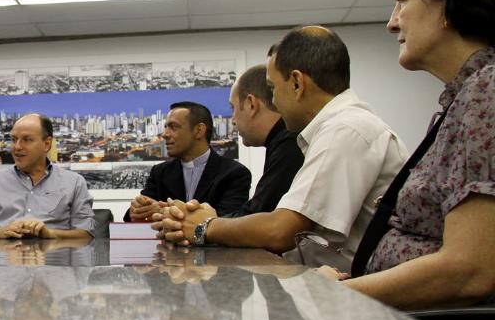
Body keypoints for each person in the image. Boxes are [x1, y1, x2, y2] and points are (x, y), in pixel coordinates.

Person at [322, 0, 495, 308]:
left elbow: (471, 269)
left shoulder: (487, 92)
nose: (392, 22)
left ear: (449, 3)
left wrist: (328, 297)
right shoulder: (465, 96)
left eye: (402, 1)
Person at [157, 26, 408, 266]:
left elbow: (281, 230)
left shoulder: (345, 130)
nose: (273, 100)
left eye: (273, 88)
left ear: (297, 83)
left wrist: (205, 225)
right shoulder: (336, 129)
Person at [174, 65, 304, 220]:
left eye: (233, 108)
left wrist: (207, 222)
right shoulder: (282, 142)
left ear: (251, 104)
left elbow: (259, 217)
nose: (233, 120)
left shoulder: (289, 144)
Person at [0, 113, 95, 239]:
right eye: (13, 139)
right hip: (5, 256)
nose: (17, 147)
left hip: (53, 257)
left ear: (47, 144)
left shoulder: (74, 183)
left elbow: (86, 235)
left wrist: (50, 234)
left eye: (27, 140)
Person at [126, 101, 251, 221]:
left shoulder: (234, 174)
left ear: (199, 131)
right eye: (165, 127)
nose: (165, 134)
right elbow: (130, 217)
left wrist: (163, 211)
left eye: (173, 127)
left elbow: (226, 221)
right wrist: (137, 207)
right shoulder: (160, 172)